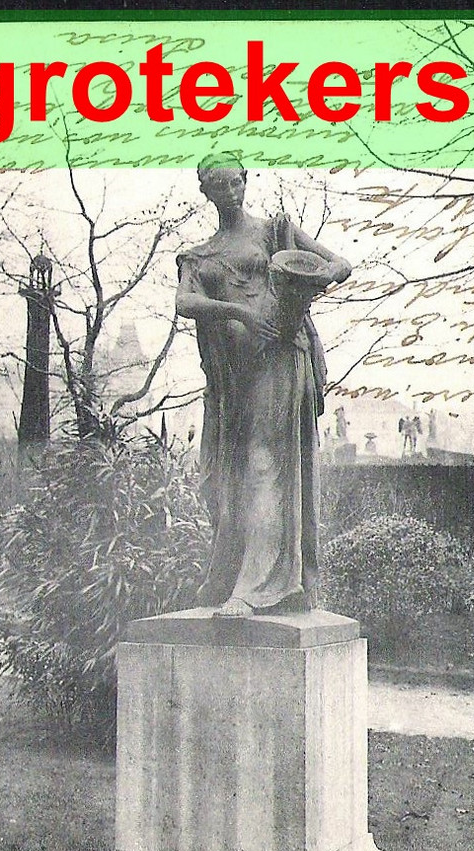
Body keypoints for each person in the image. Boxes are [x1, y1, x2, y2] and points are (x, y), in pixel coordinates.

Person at [176, 156, 352, 616]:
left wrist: (312, 281)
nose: (232, 192)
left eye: (237, 182)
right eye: (221, 186)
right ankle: (235, 575)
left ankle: (257, 588)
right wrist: (238, 313)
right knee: (220, 481)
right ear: (207, 192)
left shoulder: (274, 230)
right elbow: (185, 301)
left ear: (245, 182)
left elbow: (340, 263)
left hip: (278, 359)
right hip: (233, 375)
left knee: (263, 466)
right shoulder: (198, 254)